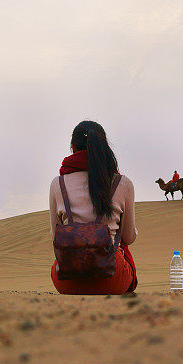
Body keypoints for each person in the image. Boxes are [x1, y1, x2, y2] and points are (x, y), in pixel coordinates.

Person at [49, 120, 138, 295]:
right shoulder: (123, 183)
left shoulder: (57, 184)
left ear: (72, 147)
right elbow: (128, 237)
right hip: (111, 280)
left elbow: (55, 237)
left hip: (66, 281)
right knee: (121, 245)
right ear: (103, 147)